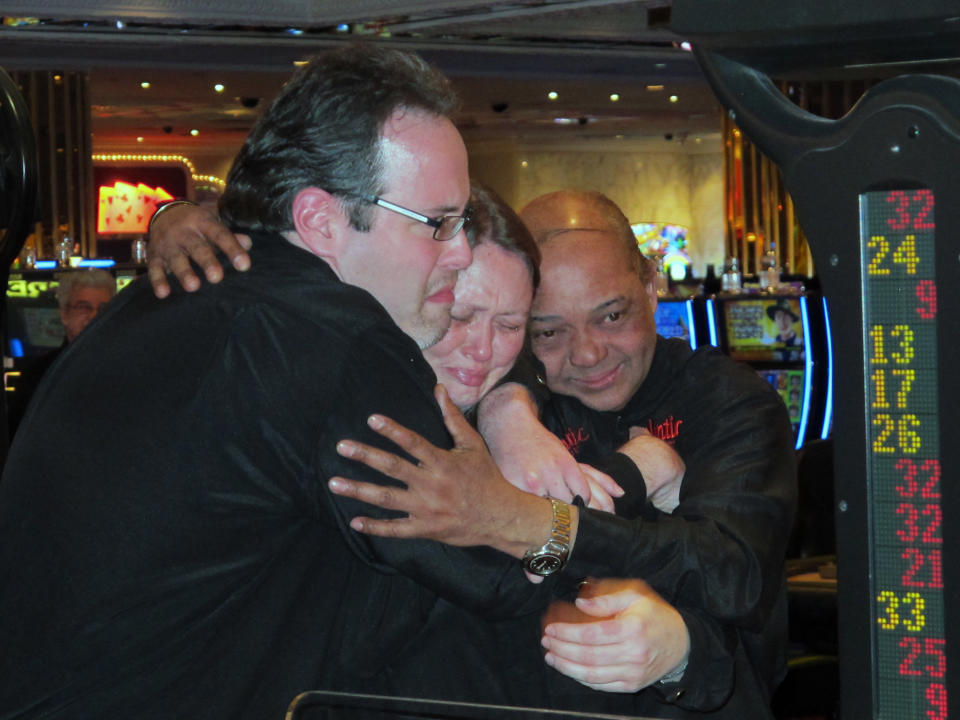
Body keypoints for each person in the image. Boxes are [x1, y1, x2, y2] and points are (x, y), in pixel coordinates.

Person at [0, 45, 592, 720]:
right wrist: (615, 498)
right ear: (318, 219)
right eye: (439, 224)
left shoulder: (167, 298)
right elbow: (504, 576)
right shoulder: (339, 342)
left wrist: (506, 407)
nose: (458, 251)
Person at [145, 190, 796, 717]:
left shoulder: (725, 403)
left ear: (653, 285)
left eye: (611, 316)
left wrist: (682, 653)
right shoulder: (388, 415)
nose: (589, 353)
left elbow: (727, 579)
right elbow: (503, 573)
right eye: (545, 329)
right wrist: (633, 472)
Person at [6, 268, 116, 438]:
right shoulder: (38, 374)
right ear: (64, 314)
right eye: (83, 307)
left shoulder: (128, 367)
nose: (94, 316)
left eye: (103, 309)